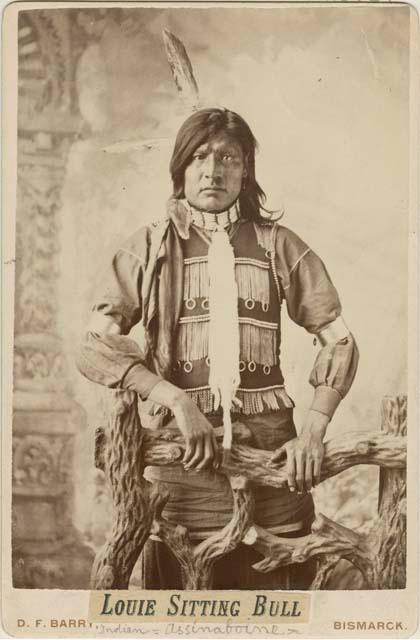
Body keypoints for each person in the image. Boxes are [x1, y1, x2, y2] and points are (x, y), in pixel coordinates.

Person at [77, 107, 359, 589]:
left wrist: (313, 430)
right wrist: (174, 398)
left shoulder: (279, 245)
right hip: (181, 471)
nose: (213, 170)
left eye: (228, 157)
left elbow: (340, 339)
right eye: (200, 157)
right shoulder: (149, 247)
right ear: (180, 169)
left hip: (272, 471)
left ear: (246, 168)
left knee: (278, 611)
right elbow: (95, 344)